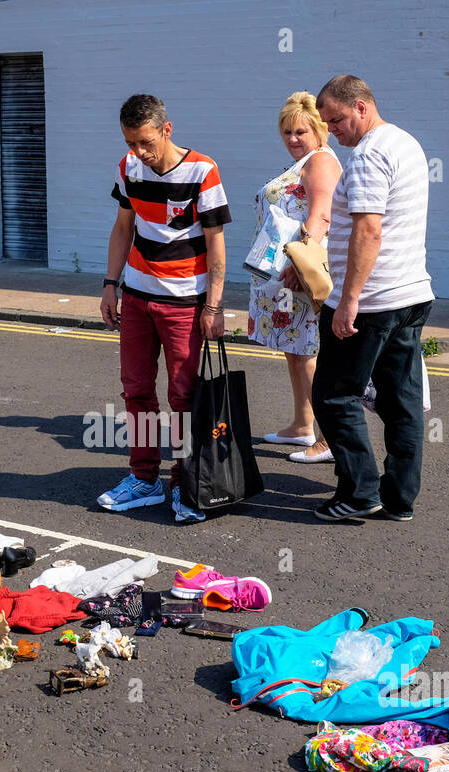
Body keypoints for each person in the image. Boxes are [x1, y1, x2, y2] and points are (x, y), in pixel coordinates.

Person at [98, 93, 231, 523]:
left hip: (183, 305)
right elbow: (123, 228)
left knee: (184, 398)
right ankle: (144, 478)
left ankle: (185, 481)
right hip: (137, 298)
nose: (138, 152)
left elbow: (216, 243)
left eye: (145, 142)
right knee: (136, 392)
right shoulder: (128, 167)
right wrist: (109, 285)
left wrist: (213, 305)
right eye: (130, 142)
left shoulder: (202, 170)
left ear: (167, 130)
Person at [312, 75, 434, 522]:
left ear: (362, 107)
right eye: (326, 123)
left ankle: (361, 492)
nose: (333, 132)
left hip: (374, 301)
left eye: (337, 120)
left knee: (332, 395)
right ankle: (399, 498)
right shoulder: (407, 143)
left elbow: (368, 229)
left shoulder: (368, 155)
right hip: (410, 294)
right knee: (401, 402)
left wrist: (349, 300)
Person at [247, 91, 342, 464]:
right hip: (283, 271)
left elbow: (321, 216)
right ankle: (302, 424)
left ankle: (327, 436)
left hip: (298, 272)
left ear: (320, 130)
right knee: (294, 348)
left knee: (307, 353)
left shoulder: (320, 161)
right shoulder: (305, 160)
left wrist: (298, 263)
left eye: (301, 131)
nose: (292, 138)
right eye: (286, 131)